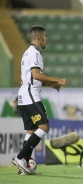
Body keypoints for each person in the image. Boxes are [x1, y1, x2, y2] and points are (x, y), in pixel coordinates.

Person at [12, 25, 68, 175]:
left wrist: (51, 84)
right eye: (46, 37)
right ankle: (20, 157)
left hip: (23, 97)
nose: (46, 39)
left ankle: (23, 166)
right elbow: (36, 75)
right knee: (44, 127)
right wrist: (58, 79)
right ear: (40, 38)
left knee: (31, 130)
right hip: (31, 96)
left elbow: (31, 78)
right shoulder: (35, 53)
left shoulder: (27, 53)